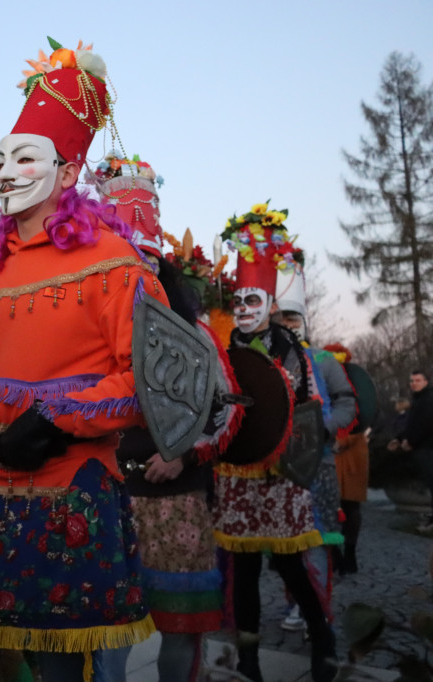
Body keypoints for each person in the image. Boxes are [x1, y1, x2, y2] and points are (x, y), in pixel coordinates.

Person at [0, 39, 161, 681]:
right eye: (0, 159)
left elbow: (147, 381)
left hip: (69, 490)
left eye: (24, 157)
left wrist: (55, 422)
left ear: (69, 172)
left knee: (64, 669)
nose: (5, 172)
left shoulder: (112, 262)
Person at [99, 159, 228, 682]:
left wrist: (180, 451)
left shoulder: (195, 332)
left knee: (180, 624)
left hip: (176, 498)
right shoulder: (88, 328)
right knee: (107, 625)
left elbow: (220, 407)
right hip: (106, 493)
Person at [214, 204, 337, 682]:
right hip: (238, 480)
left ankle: (322, 641)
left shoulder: (296, 352)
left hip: (283, 479)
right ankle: (248, 659)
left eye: (253, 301)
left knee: (290, 569)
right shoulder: (224, 355)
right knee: (243, 576)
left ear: (269, 304)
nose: (244, 309)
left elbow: (309, 411)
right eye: (238, 302)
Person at [274, 262, 357, 630]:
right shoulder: (271, 362)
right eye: (284, 319)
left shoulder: (324, 361)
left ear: (304, 320)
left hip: (319, 466)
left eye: (294, 318)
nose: (290, 325)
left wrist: (324, 427)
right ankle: (297, 605)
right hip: (280, 467)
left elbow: (347, 403)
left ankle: (318, 610)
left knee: (317, 539)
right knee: (287, 543)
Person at [324, 343, 369, 572]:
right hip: (328, 447)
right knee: (327, 505)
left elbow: (364, 411)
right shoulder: (321, 377)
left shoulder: (353, 380)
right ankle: (335, 554)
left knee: (350, 505)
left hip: (352, 451)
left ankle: (349, 555)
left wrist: (347, 439)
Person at [389, 370, 433, 529]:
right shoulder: (418, 399)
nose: (414, 383)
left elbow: (427, 424)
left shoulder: (428, 399)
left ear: (426, 382)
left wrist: (411, 442)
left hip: (427, 448)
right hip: (421, 447)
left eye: (418, 380)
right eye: (412, 380)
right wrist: (400, 439)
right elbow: (412, 424)